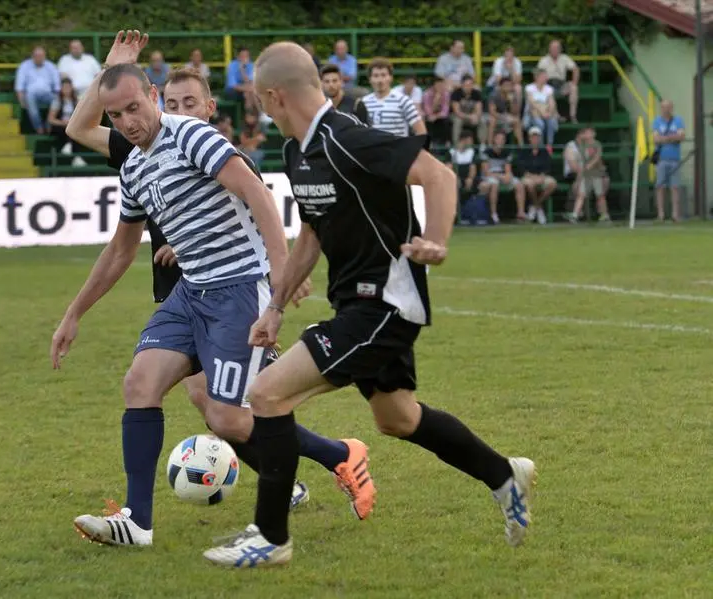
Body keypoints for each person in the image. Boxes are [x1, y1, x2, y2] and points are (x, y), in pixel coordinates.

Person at [204, 41, 535, 568]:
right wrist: (275, 308)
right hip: (353, 304)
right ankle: (503, 474)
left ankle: (271, 537)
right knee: (396, 417)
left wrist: (438, 240)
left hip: (385, 304)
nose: (262, 113)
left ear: (274, 95)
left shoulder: (349, 138)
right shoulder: (296, 152)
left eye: (262, 102)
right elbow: (311, 230)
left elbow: (439, 175)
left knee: (265, 395)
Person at [53, 31, 373, 547]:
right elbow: (119, 251)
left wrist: (281, 278)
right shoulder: (133, 165)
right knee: (139, 384)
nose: (127, 123)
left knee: (227, 417)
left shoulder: (192, 137)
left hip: (236, 290)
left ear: (152, 96)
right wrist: (73, 314)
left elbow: (259, 196)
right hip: (191, 293)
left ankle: (340, 455)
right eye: (116, 117)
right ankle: (136, 522)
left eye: (135, 108)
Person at [361, 58, 425, 137]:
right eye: (376, 76)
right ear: (370, 79)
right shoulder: (364, 102)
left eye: (383, 75)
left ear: (391, 78)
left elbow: (421, 131)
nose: (380, 80)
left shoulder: (403, 101)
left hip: (398, 148)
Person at [651, 100, 685, 222]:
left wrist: (665, 138)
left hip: (674, 159)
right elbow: (656, 139)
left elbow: (681, 136)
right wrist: (672, 137)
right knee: (660, 186)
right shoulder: (656, 121)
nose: (666, 109)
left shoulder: (678, 121)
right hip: (661, 159)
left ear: (672, 108)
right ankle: (661, 214)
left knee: (675, 187)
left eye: (668, 107)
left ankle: (675, 214)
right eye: (664, 107)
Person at [482, 130, 526, 223]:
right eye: (498, 139)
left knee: (519, 184)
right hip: (490, 177)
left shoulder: (507, 152)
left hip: (502, 175)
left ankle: (520, 213)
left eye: (502, 139)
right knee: (494, 184)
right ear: (494, 139)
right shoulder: (486, 152)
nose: (500, 141)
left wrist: (508, 176)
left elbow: (508, 170)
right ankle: (493, 214)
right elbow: (486, 172)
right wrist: (500, 176)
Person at [567, 127, 610, 223]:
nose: (587, 135)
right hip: (586, 175)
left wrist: (590, 165)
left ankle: (604, 214)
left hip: (597, 174)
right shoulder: (582, 145)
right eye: (586, 133)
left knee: (600, 195)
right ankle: (575, 215)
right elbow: (582, 158)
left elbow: (597, 157)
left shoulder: (597, 144)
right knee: (581, 194)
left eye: (589, 133)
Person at [517, 127, 556, 225]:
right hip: (528, 177)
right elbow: (521, 168)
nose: (535, 139)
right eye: (533, 137)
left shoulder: (544, 151)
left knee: (552, 184)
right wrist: (532, 177)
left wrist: (542, 176)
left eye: (537, 137)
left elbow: (547, 166)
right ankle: (538, 208)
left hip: (541, 176)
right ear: (529, 138)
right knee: (530, 185)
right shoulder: (524, 151)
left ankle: (536, 206)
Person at [47, 78, 86, 167]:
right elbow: (51, 119)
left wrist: (71, 123)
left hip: (72, 126)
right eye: (64, 87)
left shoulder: (76, 100)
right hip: (60, 126)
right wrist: (63, 123)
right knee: (67, 130)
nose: (66, 90)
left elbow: (81, 116)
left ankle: (69, 146)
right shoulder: (57, 101)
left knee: (74, 130)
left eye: (68, 87)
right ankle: (76, 156)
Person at [523, 69, 559, 146]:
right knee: (540, 124)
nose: (546, 78)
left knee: (551, 122)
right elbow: (532, 103)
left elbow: (552, 102)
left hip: (546, 112)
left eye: (546, 76)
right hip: (533, 113)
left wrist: (549, 112)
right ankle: (541, 146)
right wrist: (542, 112)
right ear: (536, 77)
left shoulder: (549, 88)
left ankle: (550, 144)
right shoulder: (529, 88)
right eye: (543, 76)